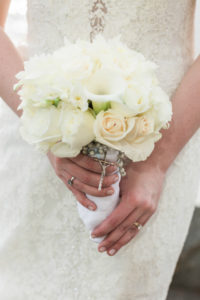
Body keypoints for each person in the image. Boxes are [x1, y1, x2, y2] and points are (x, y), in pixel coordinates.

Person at [0, 0, 200, 299]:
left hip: (155, 142)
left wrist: (156, 162)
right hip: (33, 132)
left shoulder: (156, 159)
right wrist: (44, 128)